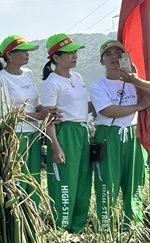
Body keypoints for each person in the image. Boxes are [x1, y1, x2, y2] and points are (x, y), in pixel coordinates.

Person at [90, 39, 150, 227]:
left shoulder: (135, 82)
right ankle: (105, 227)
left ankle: (133, 225)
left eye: (119, 53)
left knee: (135, 181)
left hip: (134, 134)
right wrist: (139, 106)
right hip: (109, 135)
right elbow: (107, 110)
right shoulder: (98, 85)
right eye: (108, 55)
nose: (114, 57)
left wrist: (135, 79)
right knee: (108, 182)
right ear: (102, 62)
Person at [39, 34, 91, 232]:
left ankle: (78, 227)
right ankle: (62, 228)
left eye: (75, 52)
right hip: (65, 133)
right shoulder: (51, 83)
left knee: (83, 180)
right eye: (69, 53)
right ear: (56, 58)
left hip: (83, 131)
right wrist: (55, 146)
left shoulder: (77, 77)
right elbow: (49, 118)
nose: (75, 56)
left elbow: (82, 106)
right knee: (65, 182)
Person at [0, 35, 51, 192]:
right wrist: (37, 116)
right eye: (23, 51)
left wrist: (44, 110)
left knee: (34, 178)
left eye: (27, 51)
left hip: (33, 133)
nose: (27, 54)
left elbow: (35, 103)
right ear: (10, 55)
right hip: (15, 135)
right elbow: (5, 113)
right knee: (18, 179)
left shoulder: (28, 73)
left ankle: (33, 213)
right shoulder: (0, 78)